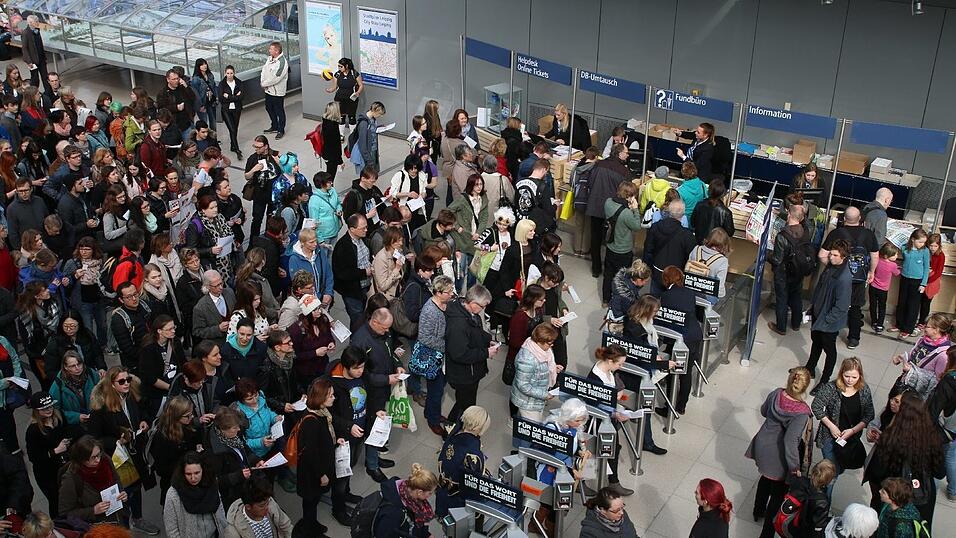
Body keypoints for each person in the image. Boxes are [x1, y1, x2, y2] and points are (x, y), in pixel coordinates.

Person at [87, 366, 159, 534]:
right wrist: (115, 441)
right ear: (112, 384)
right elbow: (94, 438)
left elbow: (145, 411)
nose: (126, 383)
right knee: (123, 492)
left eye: (128, 379)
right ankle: (123, 526)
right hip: (118, 457)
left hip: (136, 452)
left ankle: (138, 518)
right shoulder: (101, 408)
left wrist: (144, 421)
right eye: (121, 381)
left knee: (136, 486)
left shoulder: (132, 395)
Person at [746, 367, 813, 538]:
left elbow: (763, 411)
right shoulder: (802, 412)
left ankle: (757, 510)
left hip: (762, 444)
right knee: (777, 495)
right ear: (805, 387)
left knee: (765, 479)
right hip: (779, 456)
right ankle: (766, 534)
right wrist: (794, 467)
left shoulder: (776, 393)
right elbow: (790, 441)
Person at [863, 392, 944, 528]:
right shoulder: (932, 438)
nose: (893, 404)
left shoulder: (892, 439)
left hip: (895, 496)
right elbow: (940, 473)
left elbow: (877, 472)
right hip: (922, 496)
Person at [811, 358, 875, 500]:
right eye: (847, 376)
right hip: (829, 437)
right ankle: (823, 504)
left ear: (860, 376)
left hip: (850, 440)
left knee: (839, 468)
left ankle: (818, 483)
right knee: (831, 474)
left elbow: (869, 414)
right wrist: (831, 426)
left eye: (854, 377)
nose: (850, 380)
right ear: (841, 373)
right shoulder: (831, 388)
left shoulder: (864, 390)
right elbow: (816, 406)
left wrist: (852, 431)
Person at [819, 206, 879, 349]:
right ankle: (854, 338)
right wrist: (871, 272)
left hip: (838, 276)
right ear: (859, 219)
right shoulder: (868, 234)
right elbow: (874, 256)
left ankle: (830, 332)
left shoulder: (836, 233)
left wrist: (833, 267)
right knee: (856, 306)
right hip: (859, 278)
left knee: (835, 303)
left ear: (844, 219)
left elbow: (822, 255)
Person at [296, 377, 346, 534]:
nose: (333, 397)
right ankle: (310, 530)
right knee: (310, 502)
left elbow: (322, 439)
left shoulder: (321, 412)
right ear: (321, 397)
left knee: (313, 500)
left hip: (319, 467)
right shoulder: (311, 421)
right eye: (330, 395)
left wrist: (335, 440)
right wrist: (322, 475)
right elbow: (311, 453)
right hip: (312, 473)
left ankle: (312, 524)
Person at [444, 285, 494, 423]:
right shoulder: (458, 324)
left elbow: (476, 333)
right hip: (463, 374)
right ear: (472, 303)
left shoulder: (471, 314)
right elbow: (459, 354)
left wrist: (488, 341)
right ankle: (451, 432)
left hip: (471, 371)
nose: (483, 310)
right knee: (464, 404)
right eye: (483, 306)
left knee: (465, 402)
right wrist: (486, 353)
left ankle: (461, 430)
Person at [24, 391, 79, 517]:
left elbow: (67, 431)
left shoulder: (58, 417)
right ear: (36, 411)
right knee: (56, 502)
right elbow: (34, 457)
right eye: (44, 408)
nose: (49, 410)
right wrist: (55, 451)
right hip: (47, 474)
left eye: (50, 406)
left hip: (64, 466)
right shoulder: (33, 431)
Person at [58, 435, 129, 526]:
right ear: (82, 459)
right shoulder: (71, 478)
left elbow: (116, 479)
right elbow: (65, 513)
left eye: (99, 454)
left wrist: (122, 493)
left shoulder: (105, 460)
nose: (98, 460)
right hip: (96, 528)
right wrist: (93, 511)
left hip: (118, 519)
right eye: (93, 457)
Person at [205, 407, 266, 511]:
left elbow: (245, 449)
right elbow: (216, 481)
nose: (238, 429)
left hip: (247, 486)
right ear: (223, 429)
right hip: (233, 497)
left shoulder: (234, 437)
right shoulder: (215, 453)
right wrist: (239, 476)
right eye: (234, 428)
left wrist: (256, 460)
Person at [586, 143, 631, 277]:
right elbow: (625, 192)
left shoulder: (599, 164)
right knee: (611, 239)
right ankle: (609, 268)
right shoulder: (624, 172)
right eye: (626, 153)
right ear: (620, 154)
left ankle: (596, 268)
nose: (627, 155)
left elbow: (590, 182)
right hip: (613, 210)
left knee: (595, 237)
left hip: (595, 205)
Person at [435, 405, 489, 516]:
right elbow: (473, 483)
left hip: (443, 489)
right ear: (480, 427)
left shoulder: (453, 434)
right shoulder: (473, 452)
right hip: (458, 499)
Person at [150, 395, 203, 505]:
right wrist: (184, 466)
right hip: (174, 484)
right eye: (187, 416)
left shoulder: (190, 427)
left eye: (191, 414)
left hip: (190, 482)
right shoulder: (162, 437)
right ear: (176, 416)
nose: (191, 418)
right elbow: (161, 468)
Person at [163, 451, 227, 538]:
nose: (193, 478)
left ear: (203, 470)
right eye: (188, 474)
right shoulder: (173, 495)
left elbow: (220, 510)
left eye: (197, 473)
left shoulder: (211, 484)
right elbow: (171, 528)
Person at [768, 204, 810, 336]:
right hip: (798, 271)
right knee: (796, 297)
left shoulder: (782, 235)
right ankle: (796, 324)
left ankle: (781, 327)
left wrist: (766, 255)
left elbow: (777, 259)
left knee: (782, 299)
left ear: (789, 215)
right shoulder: (805, 232)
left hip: (783, 272)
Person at [643, 198, 696, 295]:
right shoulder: (687, 236)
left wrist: (649, 268)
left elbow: (648, 249)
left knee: (654, 301)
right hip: (676, 277)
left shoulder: (655, 227)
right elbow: (691, 259)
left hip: (657, 272)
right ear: (683, 214)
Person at [511, 323, 562, 422]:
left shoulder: (542, 351)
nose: (552, 345)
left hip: (536, 400)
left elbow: (540, 369)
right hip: (528, 403)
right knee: (532, 430)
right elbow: (523, 385)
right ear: (540, 341)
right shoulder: (527, 359)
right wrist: (544, 395)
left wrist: (553, 368)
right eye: (549, 343)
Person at [602, 181, 642, 304]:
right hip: (623, 249)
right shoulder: (626, 213)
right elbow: (637, 226)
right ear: (629, 196)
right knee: (622, 278)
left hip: (610, 246)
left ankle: (606, 298)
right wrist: (635, 209)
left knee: (608, 274)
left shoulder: (608, 202)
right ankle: (618, 301)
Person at [373, 463, 439, 538]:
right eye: (430, 493)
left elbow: (414, 520)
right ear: (420, 492)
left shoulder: (407, 490)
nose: (430, 495)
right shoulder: (393, 513)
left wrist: (426, 534)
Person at [139, 315, 185, 419]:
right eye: (169, 329)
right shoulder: (149, 349)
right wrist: (171, 388)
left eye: (174, 328)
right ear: (159, 331)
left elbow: (183, 363)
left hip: (175, 389)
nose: (173, 331)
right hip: (157, 395)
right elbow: (150, 377)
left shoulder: (175, 342)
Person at [333, 214, 373, 329]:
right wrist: (364, 272)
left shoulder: (363, 239)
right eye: (363, 228)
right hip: (352, 291)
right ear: (352, 229)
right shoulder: (343, 247)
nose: (366, 230)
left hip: (366, 286)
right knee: (358, 320)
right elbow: (342, 273)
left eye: (366, 226)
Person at [223, 474, 292, 538]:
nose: (267, 508)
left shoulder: (270, 502)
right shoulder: (233, 532)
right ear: (248, 507)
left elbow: (286, 526)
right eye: (262, 506)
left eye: (267, 503)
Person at [109, 281, 151, 375]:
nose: (134, 299)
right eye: (128, 297)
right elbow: (127, 348)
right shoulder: (119, 319)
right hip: (136, 362)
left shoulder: (146, 306)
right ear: (121, 300)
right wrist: (147, 355)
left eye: (135, 294)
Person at [895, 229, 930, 337]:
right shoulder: (905, 248)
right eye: (920, 242)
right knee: (902, 302)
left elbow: (926, 268)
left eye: (924, 242)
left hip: (917, 280)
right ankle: (899, 324)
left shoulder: (925, 251)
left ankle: (908, 328)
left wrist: (923, 284)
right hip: (905, 278)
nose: (922, 244)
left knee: (913, 305)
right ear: (913, 239)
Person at [244, 135, 282, 237]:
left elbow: (285, 172)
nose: (256, 149)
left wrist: (280, 163)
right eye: (255, 146)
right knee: (257, 219)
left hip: (273, 195)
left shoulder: (275, 156)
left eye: (259, 147)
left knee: (271, 220)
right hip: (259, 195)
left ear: (266, 146)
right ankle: (253, 242)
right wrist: (253, 170)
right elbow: (247, 176)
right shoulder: (252, 159)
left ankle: (268, 240)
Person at [50, 351, 100, 426]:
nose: (77, 368)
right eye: (73, 366)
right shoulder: (58, 385)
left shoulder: (91, 374)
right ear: (65, 367)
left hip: (95, 419)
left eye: (79, 364)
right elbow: (54, 410)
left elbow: (102, 393)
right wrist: (76, 417)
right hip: (74, 426)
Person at [192, 270, 236, 347]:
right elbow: (197, 331)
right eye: (216, 286)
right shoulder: (200, 307)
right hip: (218, 345)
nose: (221, 287)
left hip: (237, 340)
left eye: (221, 283)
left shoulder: (229, 292)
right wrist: (218, 329)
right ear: (208, 286)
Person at [688, 228, 731, 304]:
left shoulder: (696, 249)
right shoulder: (722, 260)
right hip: (707, 297)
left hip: (690, 290)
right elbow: (719, 287)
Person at [514, 158, 557, 234]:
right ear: (544, 169)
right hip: (535, 225)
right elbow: (549, 209)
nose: (545, 174)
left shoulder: (519, 182)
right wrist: (555, 205)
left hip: (520, 222)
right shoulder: (542, 186)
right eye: (546, 172)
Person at [326, 57, 363, 133]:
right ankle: (341, 134)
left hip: (351, 99)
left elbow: (361, 85)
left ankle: (353, 134)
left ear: (346, 66)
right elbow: (335, 86)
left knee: (352, 117)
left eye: (341, 66)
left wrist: (358, 92)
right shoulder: (337, 74)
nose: (339, 68)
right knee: (341, 117)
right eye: (338, 66)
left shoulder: (354, 73)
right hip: (339, 98)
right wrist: (330, 90)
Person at [260, 42, 289, 139]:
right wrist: (263, 82)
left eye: (271, 49)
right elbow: (264, 70)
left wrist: (265, 84)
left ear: (276, 51)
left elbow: (276, 78)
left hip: (277, 92)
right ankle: (274, 125)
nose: (269, 50)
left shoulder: (282, 63)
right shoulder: (269, 59)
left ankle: (281, 129)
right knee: (268, 108)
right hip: (268, 90)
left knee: (279, 110)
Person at [309, 171, 343, 246]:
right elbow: (314, 221)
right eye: (328, 182)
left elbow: (338, 203)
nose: (331, 183)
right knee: (325, 256)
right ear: (321, 184)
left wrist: (339, 209)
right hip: (324, 235)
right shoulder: (314, 200)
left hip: (335, 229)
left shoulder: (333, 191)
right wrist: (320, 240)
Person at [351, 101, 386, 174]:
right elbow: (362, 144)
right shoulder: (364, 123)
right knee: (367, 175)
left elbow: (371, 131)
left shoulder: (372, 119)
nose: (380, 116)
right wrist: (368, 160)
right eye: (380, 114)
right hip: (367, 153)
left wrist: (379, 127)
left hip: (373, 149)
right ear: (375, 110)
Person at [919, 233, 945, 328]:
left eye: (935, 246)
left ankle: (922, 322)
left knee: (926, 304)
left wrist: (926, 281)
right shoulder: (925, 252)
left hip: (932, 282)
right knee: (919, 302)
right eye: (931, 245)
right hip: (923, 280)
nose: (933, 248)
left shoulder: (941, 255)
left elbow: (938, 272)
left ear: (939, 245)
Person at [219, 65, 244, 159]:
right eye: (228, 73)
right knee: (232, 129)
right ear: (225, 73)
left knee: (235, 128)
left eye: (231, 73)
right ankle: (237, 149)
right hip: (226, 110)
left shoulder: (239, 82)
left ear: (234, 73)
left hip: (237, 109)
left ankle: (232, 146)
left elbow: (242, 97)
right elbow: (221, 98)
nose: (229, 75)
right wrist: (235, 97)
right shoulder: (222, 84)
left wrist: (228, 97)